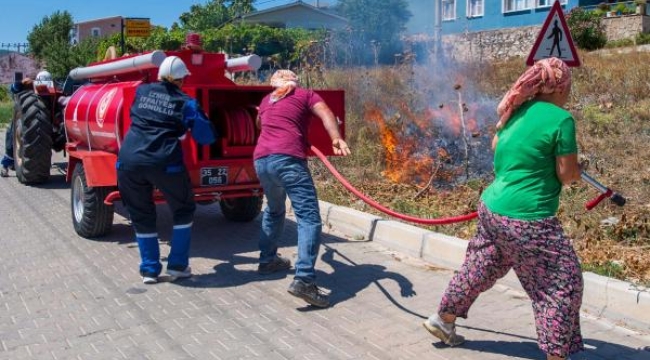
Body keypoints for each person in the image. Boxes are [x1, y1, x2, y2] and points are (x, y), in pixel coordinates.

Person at [423, 57, 584, 360]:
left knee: (483, 266)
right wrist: (576, 165)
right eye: (568, 85)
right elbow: (567, 175)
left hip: (492, 207)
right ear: (558, 86)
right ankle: (557, 355)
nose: (569, 91)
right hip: (528, 217)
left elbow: (497, 146)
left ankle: (443, 320)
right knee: (562, 282)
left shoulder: (517, 109)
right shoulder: (562, 120)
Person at [253, 69, 351, 308]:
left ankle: (268, 260)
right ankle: (304, 279)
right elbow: (326, 112)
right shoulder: (306, 95)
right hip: (287, 160)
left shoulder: (267, 101)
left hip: (261, 161)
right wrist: (335, 137)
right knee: (309, 219)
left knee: (274, 210)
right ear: (295, 83)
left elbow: (259, 124)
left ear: (275, 84)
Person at [117, 56, 216, 285]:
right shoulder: (186, 101)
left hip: (129, 161)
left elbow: (138, 116)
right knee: (183, 209)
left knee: (141, 215)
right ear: (182, 80)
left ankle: (150, 270)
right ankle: (178, 266)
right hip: (165, 162)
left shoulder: (142, 92)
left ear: (159, 75)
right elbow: (205, 136)